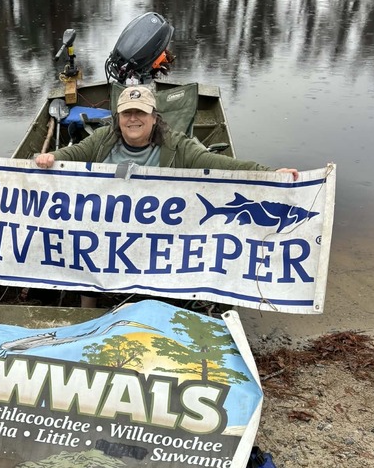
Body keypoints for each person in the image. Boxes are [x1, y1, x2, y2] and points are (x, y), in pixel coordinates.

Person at [36, 85, 299, 307]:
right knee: (85, 243)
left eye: (141, 112)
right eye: (127, 112)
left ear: (154, 117)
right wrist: (51, 157)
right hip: (106, 229)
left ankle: (154, 304)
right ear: (118, 117)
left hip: (156, 233)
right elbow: (74, 154)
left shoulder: (176, 145)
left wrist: (270, 174)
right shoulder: (103, 139)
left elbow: (217, 163)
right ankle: (88, 307)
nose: (133, 118)